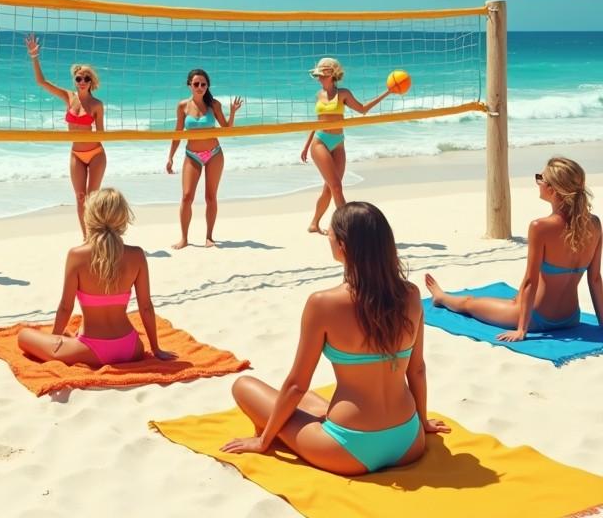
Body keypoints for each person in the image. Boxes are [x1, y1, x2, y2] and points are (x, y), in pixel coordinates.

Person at [221, 202, 450, 475]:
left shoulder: (323, 304)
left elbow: (296, 383)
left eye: (330, 234)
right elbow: (418, 369)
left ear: (343, 246)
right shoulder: (411, 295)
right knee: (310, 400)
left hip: (349, 447)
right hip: (408, 441)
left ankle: (275, 431)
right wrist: (422, 423)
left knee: (244, 385)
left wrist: (263, 440)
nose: (328, 238)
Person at [426, 156, 602, 340]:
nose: (538, 182)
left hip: (536, 318)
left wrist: (521, 330)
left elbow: (530, 281)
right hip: (570, 317)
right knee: (513, 300)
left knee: (470, 303)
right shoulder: (595, 224)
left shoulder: (540, 227)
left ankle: (441, 298)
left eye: (540, 178)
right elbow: (595, 279)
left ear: (553, 189)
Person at [17, 188, 175, 366]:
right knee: (74, 334)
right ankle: (75, 337)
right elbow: (145, 307)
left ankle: (69, 339)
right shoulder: (137, 255)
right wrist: (156, 349)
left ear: (90, 216)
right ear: (122, 217)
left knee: (23, 335)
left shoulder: (76, 255)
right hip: (131, 348)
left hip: (91, 349)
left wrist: (55, 340)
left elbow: (65, 308)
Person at [25, 33, 105, 237]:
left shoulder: (97, 105)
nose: (82, 81)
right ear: (75, 80)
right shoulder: (68, 97)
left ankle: (98, 234)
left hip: (95, 154)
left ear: (91, 81)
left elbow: (102, 134)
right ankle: (87, 238)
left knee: (92, 198)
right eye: (79, 78)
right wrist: (34, 57)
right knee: (80, 198)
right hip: (76, 155)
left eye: (87, 78)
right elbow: (41, 82)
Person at [300, 57, 391, 235]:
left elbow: (363, 109)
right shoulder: (318, 95)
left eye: (321, 75)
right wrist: (306, 146)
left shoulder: (343, 94)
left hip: (338, 143)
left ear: (331, 75)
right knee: (336, 187)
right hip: (320, 142)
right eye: (317, 75)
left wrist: (387, 92)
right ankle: (347, 229)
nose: (318, 78)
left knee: (329, 188)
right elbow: (317, 122)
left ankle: (314, 223)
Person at [166, 68, 243, 249]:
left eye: (203, 84)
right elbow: (177, 133)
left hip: (214, 153)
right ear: (189, 85)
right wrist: (170, 157)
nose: (200, 87)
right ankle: (184, 238)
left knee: (211, 197)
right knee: (186, 197)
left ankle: (209, 237)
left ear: (207, 86)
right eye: (196, 84)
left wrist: (232, 113)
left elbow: (226, 128)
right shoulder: (182, 106)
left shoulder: (214, 105)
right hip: (192, 155)